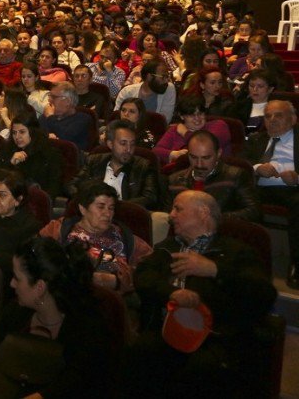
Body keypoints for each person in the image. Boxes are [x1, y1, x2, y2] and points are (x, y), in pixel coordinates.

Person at [126, 191, 276, 398]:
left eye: (178, 209)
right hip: (166, 331)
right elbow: (143, 278)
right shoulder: (167, 248)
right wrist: (173, 292)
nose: (171, 215)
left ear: (203, 212)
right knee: (140, 354)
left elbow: (264, 294)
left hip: (216, 337)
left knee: (201, 370)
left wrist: (214, 270)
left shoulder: (237, 251)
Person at [0, 237, 112, 399]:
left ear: (40, 287)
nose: (11, 283)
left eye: (17, 278)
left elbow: (71, 387)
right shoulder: (16, 311)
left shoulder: (88, 327)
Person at [40, 182, 151, 295]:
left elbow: (151, 268)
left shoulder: (124, 236)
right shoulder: (58, 229)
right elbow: (35, 256)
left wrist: (117, 281)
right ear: (82, 209)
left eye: (111, 208)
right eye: (101, 207)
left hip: (112, 301)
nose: (107, 214)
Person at [244, 100, 299, 286]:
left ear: (293, 119)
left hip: (292, 190)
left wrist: (297, 178)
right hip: (259, 187)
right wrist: (258, 168)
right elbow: (240, 165)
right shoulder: (256, 139)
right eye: (268, 116)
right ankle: (245, 260)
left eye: (278, 115)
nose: (272, 120)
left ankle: (296, 264)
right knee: (237, 198)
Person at [163, 130, 260, 222]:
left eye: (206, 158)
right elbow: (166, 215)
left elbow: (253, 212)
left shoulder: (235, 176)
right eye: (193, 157)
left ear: (218, 153)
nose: (199, 164)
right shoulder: (175, 180)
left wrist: (213, 219)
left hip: (221, 233)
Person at [73, 120, 159, 209]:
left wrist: (114, 206)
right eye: (123, 143)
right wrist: (89, 201)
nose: (129, 149)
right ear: (110, 144)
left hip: (125, 216)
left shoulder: (144, 166)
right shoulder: (94, 161)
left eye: (132, 144)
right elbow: (72, 185)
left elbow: (150, 197)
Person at [1, 111, 64, 198]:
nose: (17, 137)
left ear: (33, 132)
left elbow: (53, 186)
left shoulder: (47, 152)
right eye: (14, 133)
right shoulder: (10, 149)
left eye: (22, 132)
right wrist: (11, 164)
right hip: (11, 197)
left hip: (37, 200)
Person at [153, 96, 232, 164]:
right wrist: (173, 154)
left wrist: (185, 133)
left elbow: (204, 144)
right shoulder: (174, 130)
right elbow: (156, 151)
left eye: (200, 113)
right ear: (182, 116)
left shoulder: (219, 125)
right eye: (191, 115)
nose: (197, 118)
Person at [41, 82, 95, 151]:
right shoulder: (45, 118)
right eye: (49, 96)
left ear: (68, 101)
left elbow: (65, 136)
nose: (49, 100)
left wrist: (50, 117)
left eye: (54, 97)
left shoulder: (83, 119)